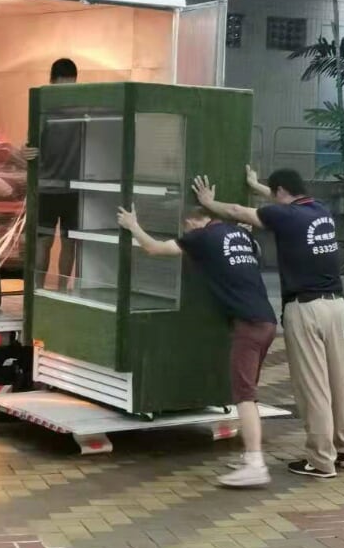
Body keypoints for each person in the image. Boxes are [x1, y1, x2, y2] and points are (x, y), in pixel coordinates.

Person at [193, 166, 344, 480]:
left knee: (313, 387)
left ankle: (321, 460)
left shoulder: (285, 216)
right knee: (340, 382)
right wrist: (256, 186)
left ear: (281, 192)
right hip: (336, 306)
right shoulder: (320, 211)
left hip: (306, 309)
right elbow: (279, 203)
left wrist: (208, 203)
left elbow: (237, 211)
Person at [117, 203, 277, 488]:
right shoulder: (239, 234)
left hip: (248, 325)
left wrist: (133, 226)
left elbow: (153, 248)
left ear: (191, 223)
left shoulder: (200, 237)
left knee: (244, 395)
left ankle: (256, 464)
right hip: (267, 321)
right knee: (248, 391)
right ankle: (249, 457)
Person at [33, 58, 80, 291]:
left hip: (71, 189)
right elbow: (30, 148)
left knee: (66, 243)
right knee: (47, 242)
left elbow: (30, 147)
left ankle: (54, 291)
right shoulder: (45, 110)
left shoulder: (45, 110)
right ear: (52, 82)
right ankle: (42, 291)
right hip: (50, 188)